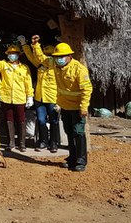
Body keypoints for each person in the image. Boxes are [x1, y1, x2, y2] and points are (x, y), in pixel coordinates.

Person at [34, 41, 92, 172]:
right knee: (69, 132)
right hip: (64, 106)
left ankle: (81, 160)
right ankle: (72, 158)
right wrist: (36, 45)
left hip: (77, 107)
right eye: (57, 57)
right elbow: (41, 58)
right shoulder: (54, 64)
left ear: (70, 56)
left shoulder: (79, 69)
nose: (59, 59)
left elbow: (86, 90)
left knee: (78, 132)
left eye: (62, 56)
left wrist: (83, 107)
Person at [0, 40, 34, 151]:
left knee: (21, 120)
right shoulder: (4, 65)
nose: (12, 56)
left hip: (20, 98)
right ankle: (11, 142)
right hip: (6, 97)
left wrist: (30, 96)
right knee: (8, 120)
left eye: (14, 54)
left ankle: (22, 143)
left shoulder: (24, 68)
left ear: (18, 55)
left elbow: (28, 83)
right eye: (10, 54)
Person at [22, 35, 60, 152]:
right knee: (41, 120)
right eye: (46, 55)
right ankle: (43, 141)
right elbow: (30, 56)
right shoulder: (40, 65)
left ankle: (54, 143)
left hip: (52, 98)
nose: (47, 58)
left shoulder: (55, 66)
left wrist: (36, 45)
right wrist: (25, 44)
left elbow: (39, 56)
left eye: (49, 55)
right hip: (40, 98)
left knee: (54, 120)